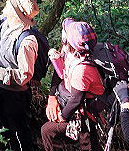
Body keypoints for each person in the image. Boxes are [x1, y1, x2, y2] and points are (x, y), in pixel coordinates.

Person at [0, 0, 42, 151]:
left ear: (18, 12)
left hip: (16, 96)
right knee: (0, 128)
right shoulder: (3, 20)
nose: (7, 5)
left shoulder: (27, 41)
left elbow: (24, 75)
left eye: (11, 4)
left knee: (19, 135)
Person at [42, 19, 105, 151]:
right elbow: (60, 71)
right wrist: (52, 97)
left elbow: (76, 100)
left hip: (84, 115)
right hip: (76, 108)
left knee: (48, 131)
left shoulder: (82, 70)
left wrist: (61, 117)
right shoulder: (73, 53)